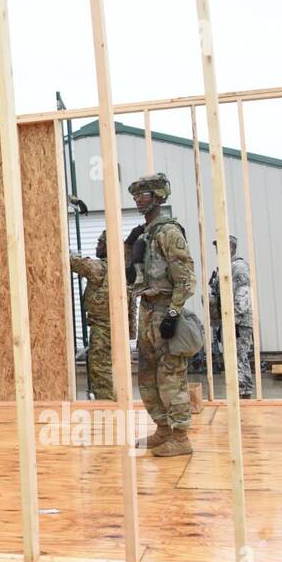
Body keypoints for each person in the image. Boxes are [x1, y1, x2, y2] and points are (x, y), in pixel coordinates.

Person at [127, 174, 197, 457]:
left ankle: (180, 437)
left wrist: (172, 313)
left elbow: (185, 279)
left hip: (165, 309)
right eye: (136, 195)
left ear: (157, 196)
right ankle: (163, 430)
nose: (137, 199)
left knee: (171, 376)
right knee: (147, 374)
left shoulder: (169, 232)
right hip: (147, 309)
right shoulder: (145, 233)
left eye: (143, 194)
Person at [69, 230, 136, 401]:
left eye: (100, 243)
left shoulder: (103, 267)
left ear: (109, 247)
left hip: (103, 330)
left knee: (102, 373)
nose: (96, 246)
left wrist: (66, 250)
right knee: (115, 372)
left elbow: (74, 262)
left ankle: (108, 406)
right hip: (119, 329)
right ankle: (116, 403)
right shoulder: (124, 269)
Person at [209, 235, 255, 398]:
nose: (217, 250)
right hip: (228, 321)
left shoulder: (239, 266)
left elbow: (243, 294)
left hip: (238, 321)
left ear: (231, 248)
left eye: (220, 246)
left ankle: (244, 391)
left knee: (238, 356)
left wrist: (233, 319)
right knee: (232, 356)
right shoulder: (224, 267)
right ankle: (239, 390)